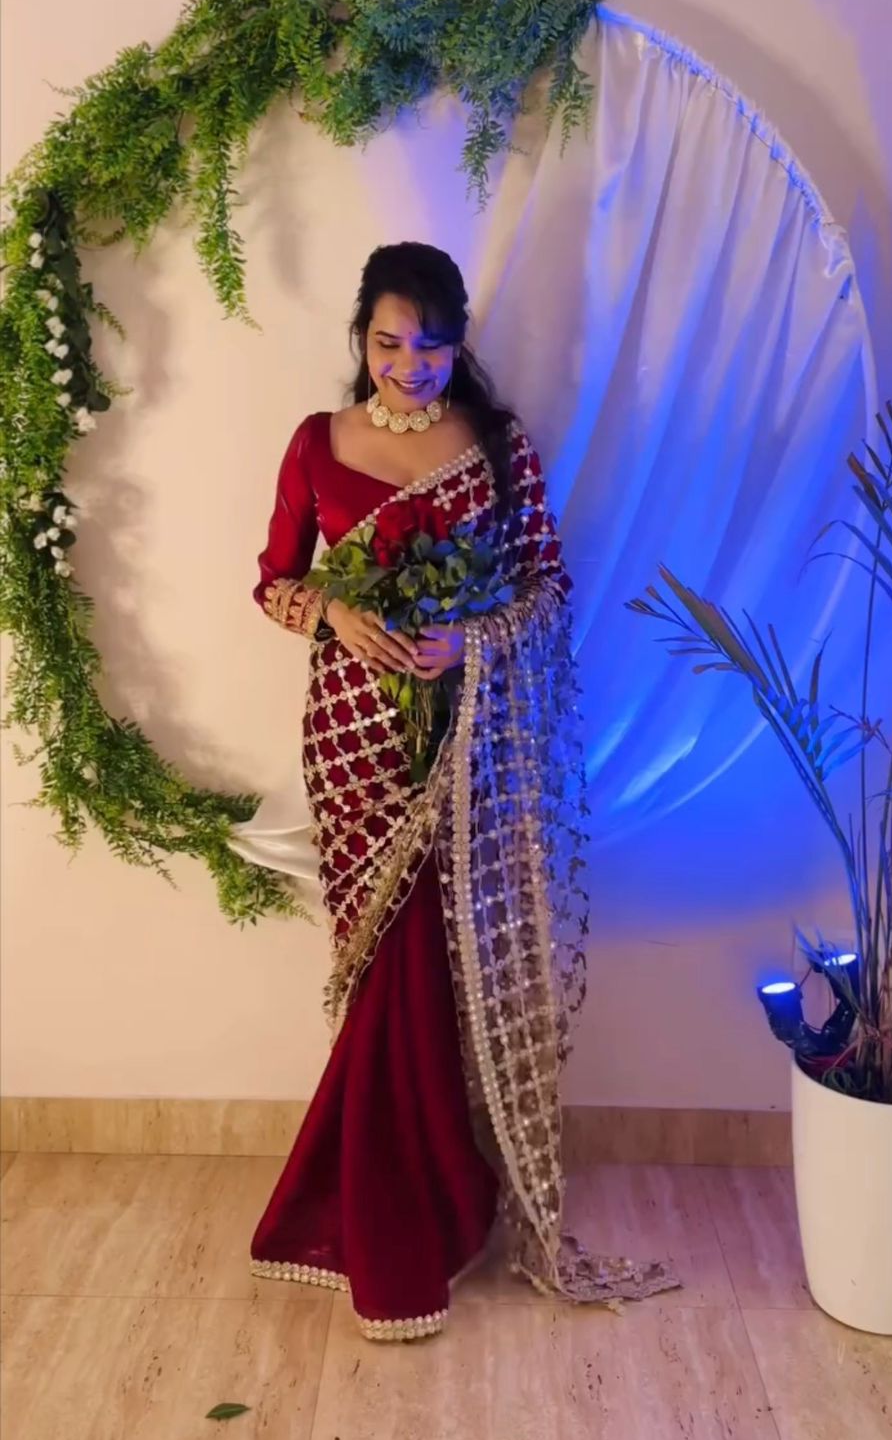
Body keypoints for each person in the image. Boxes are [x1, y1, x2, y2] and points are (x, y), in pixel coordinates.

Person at [248, 242, 677, 1341]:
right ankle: (381, 1200)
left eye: (431, 347)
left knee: (440, 965)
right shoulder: (315, 443)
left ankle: (436, 1202)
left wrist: (467, 641)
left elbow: (544, 589)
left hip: (468, 739)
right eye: (389, 344)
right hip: (352, 738)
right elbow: (273, 580)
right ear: (361, 337)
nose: (409, 368)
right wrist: (335, 613)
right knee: (381, 959)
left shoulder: (494, 447)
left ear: (458, 346)